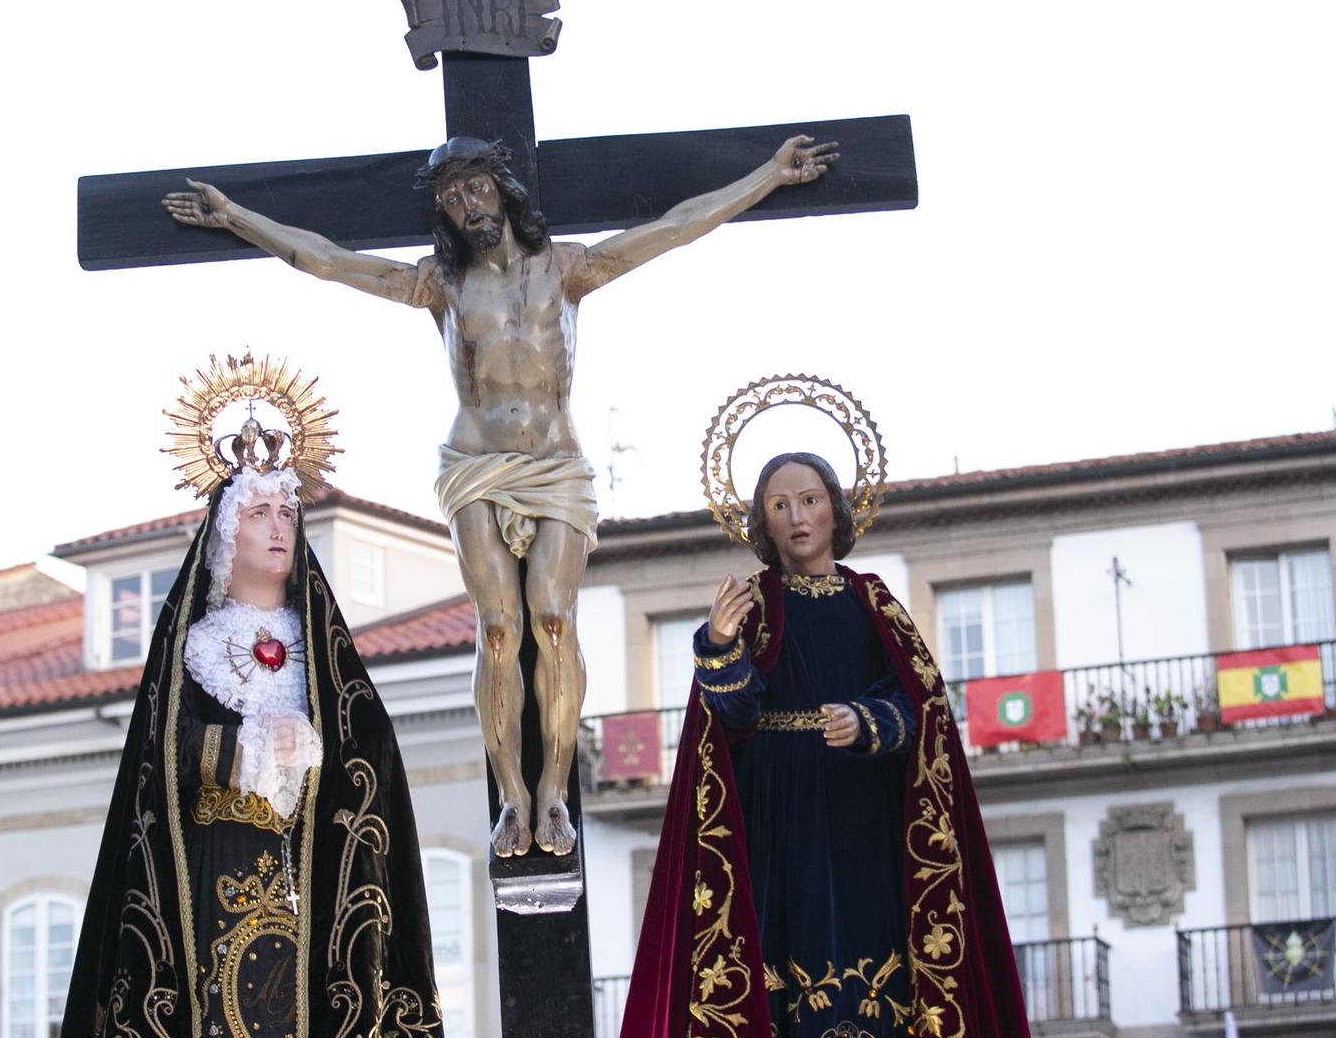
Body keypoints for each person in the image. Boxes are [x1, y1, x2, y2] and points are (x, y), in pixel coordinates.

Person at [163, 134, 838, 860]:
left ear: (505, 190)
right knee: (497, 628)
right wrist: (237, 217)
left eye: (477, 189)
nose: (466, 208)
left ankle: (554, 789)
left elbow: (675, 227)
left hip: (555, 467)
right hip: (476, 466)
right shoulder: (439, 285)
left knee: (551, 619)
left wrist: (767, 174)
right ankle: (512, 794)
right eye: (451, 201)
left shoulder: (566, 268)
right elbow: (327, 260)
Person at [607, 452, 1053, 1038]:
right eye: (780, 506)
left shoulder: (874, 602)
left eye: (810, 500)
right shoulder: (752, 603)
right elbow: (737, 711)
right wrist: (718, 649)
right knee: (786, 969)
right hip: (781, 825)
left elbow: (922, 706)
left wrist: (869, 720)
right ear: (764, 522)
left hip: (866, 823)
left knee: (885, 975)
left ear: (836, 511)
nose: (797, 517)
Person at [38, 448, 469, 1038]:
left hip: (319, 918)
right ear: (222, 537)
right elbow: (156, 760)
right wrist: (238, 750)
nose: (280, 526)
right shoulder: (190, 653)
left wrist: (317, 751)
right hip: (211, 901)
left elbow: (374, 775)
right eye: (260, 512)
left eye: (288, 512)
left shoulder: (327, 663)